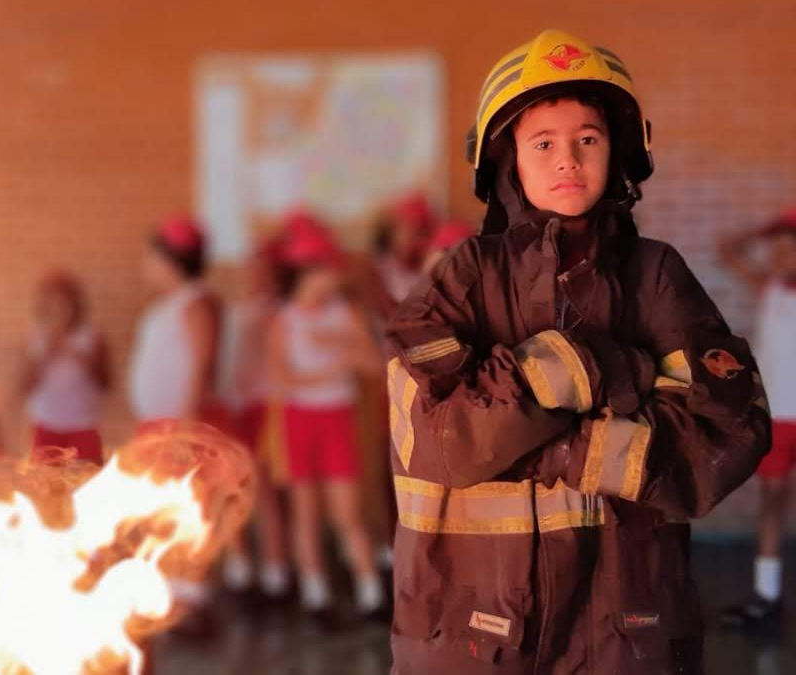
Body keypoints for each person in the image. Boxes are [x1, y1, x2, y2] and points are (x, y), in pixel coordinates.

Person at [385, 29, 770, 673]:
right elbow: (438, 436)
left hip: (625, 634)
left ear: (619, 150)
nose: (568, 159)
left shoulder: (657, 277)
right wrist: (598, 366)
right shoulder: (463, 278)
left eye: (587, 139)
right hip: (474, 638)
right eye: (543, 143)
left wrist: (560, 445)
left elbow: (724, 434)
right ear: (506, 160)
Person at [270, 217, 385, 622]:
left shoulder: (344, 313)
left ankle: (369, 589)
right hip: (300, 417)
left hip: (337, 415)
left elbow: (375, 364)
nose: (333, 278)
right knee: (305, 509)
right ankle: (315, 592)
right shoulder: (285, 317)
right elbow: (284, 378)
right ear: (309, 273)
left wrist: (340, 347)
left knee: (347, 511)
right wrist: (332, 368)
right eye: (326, 271)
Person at [128, 215, 225, 637]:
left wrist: (186, 428)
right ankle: (171, 593)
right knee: (161, 509)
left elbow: (202, 365)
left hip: (178, 425)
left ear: (171, 260)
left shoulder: (196, 302)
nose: (145, 266)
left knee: (184, 508)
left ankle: (190, 599)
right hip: (159, 423)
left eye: (151, 258)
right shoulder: (170, 303)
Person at [717, 209, 796, 629]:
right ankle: (767, 596)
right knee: (772, 504)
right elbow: (726, 250)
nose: (780, 258)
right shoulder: (768, 289)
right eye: (776, 251)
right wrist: (762, 227)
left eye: (789, 251)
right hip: (779, 418)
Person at [219, 239, 290, 601]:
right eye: (248, 269)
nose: (252, 276)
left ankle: (275, 571)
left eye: (260, 269)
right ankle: (240, 565)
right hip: (234, 405)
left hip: (262, 405)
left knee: (263, 490)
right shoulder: (233, 310)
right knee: (232, 486)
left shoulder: (275, 311)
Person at [20, 270, 110, 465]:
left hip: (82, 424)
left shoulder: (92, 336)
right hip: (46, 424)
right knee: (46, 486)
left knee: (86, 482)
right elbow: (25, 385)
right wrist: (45, 355)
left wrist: (81, 358)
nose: (59, 309)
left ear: (75, 304)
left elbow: (105, 382)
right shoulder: (36, 337)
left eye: (64, 303)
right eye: (53, 303)